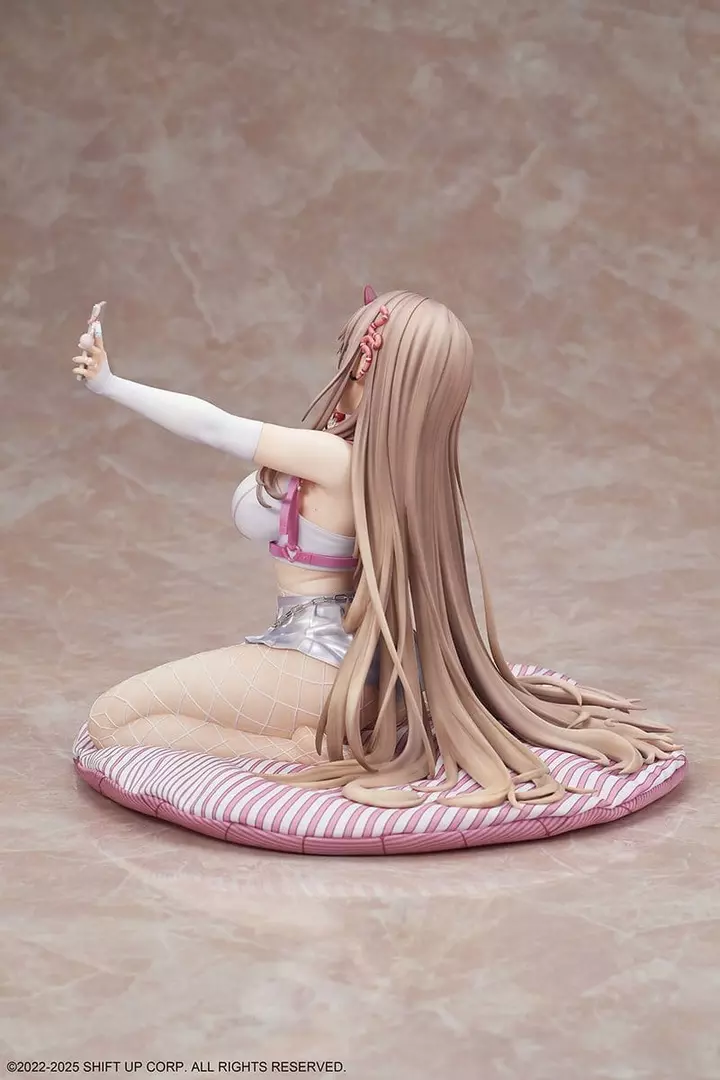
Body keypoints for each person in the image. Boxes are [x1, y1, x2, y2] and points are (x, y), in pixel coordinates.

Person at [73, 288, 679, 810]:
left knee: (109, 720)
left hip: (312, 666)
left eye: (352, 359)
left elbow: (214, 426)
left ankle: (298, 751)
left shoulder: (333, 458)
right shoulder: (403, 470)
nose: (342, 370)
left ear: (372, 374)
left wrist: (110, 384)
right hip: (367, 666)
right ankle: (316, 736)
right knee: (139, 717)